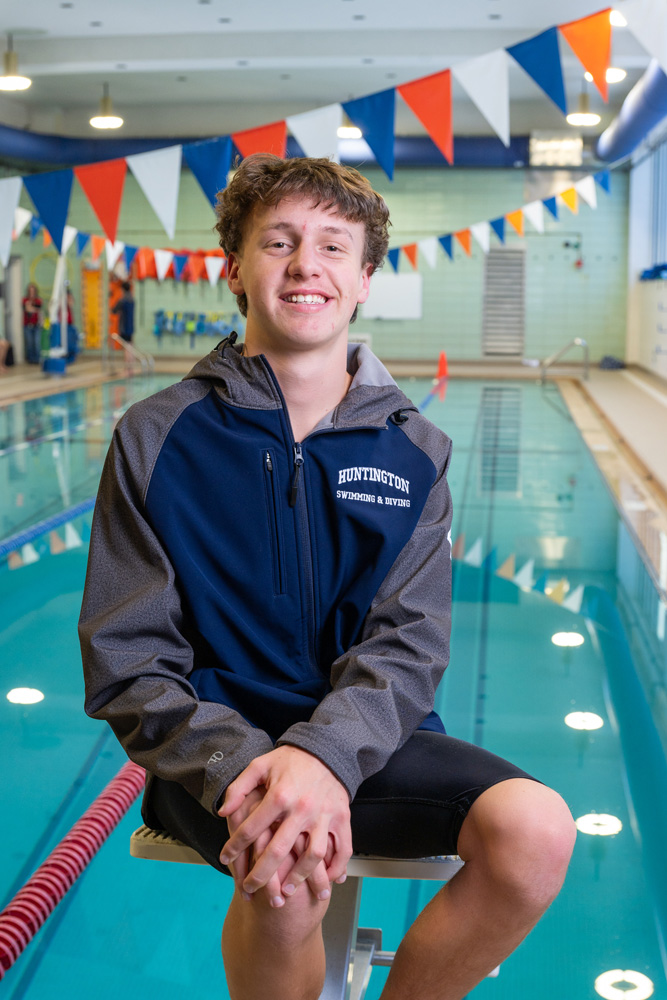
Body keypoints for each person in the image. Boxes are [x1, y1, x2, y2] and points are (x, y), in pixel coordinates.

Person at [80, 155, 575, 1000]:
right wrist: (252, 765)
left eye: (333, 247)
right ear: (234, 269)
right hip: (215, 753)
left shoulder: (413, 450)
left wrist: (323, 754)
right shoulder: (156, 437)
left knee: (537, 830)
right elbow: (127, 658)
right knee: (288, 861)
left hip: (373, 742)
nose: (305, 264)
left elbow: (409, 644)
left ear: (363, 278)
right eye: (278, 242)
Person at [22, 283, 42, 364]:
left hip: (36, 324)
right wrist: (33, 309)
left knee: (36, 343)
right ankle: (31, 359)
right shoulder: (25, 300)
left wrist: (30, 307)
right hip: (27, 324)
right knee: (29, 343)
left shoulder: (38, 300)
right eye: (30, 291)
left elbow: (38, 309)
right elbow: (27, 309)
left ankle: (37, 359)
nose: (32, 292)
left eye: (33, 291)